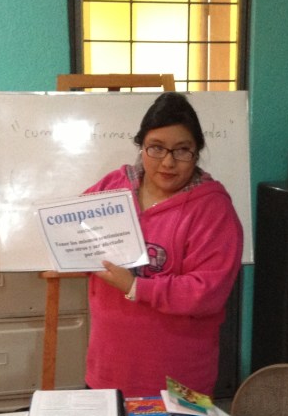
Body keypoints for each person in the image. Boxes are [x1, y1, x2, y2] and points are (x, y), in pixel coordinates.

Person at [84, 91, 243, 397]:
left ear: (196, 152)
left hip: (179, 380)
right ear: (141, 146)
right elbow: (77, 238)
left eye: (182, 150)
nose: (168, 162)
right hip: (107, 371)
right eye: (156, 148)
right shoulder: (114, 187)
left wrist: (136, 287)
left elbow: (206, 293)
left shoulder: (213, 209)